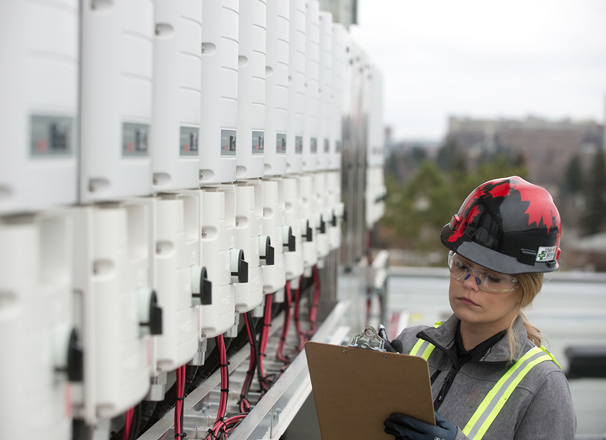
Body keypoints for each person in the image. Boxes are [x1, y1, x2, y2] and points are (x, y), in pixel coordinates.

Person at [384, 176, 576, 440]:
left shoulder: (542, 385)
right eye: (462, 266)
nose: (470, 284)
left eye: (493, 277)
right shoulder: (410, 345)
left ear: (526, 288)